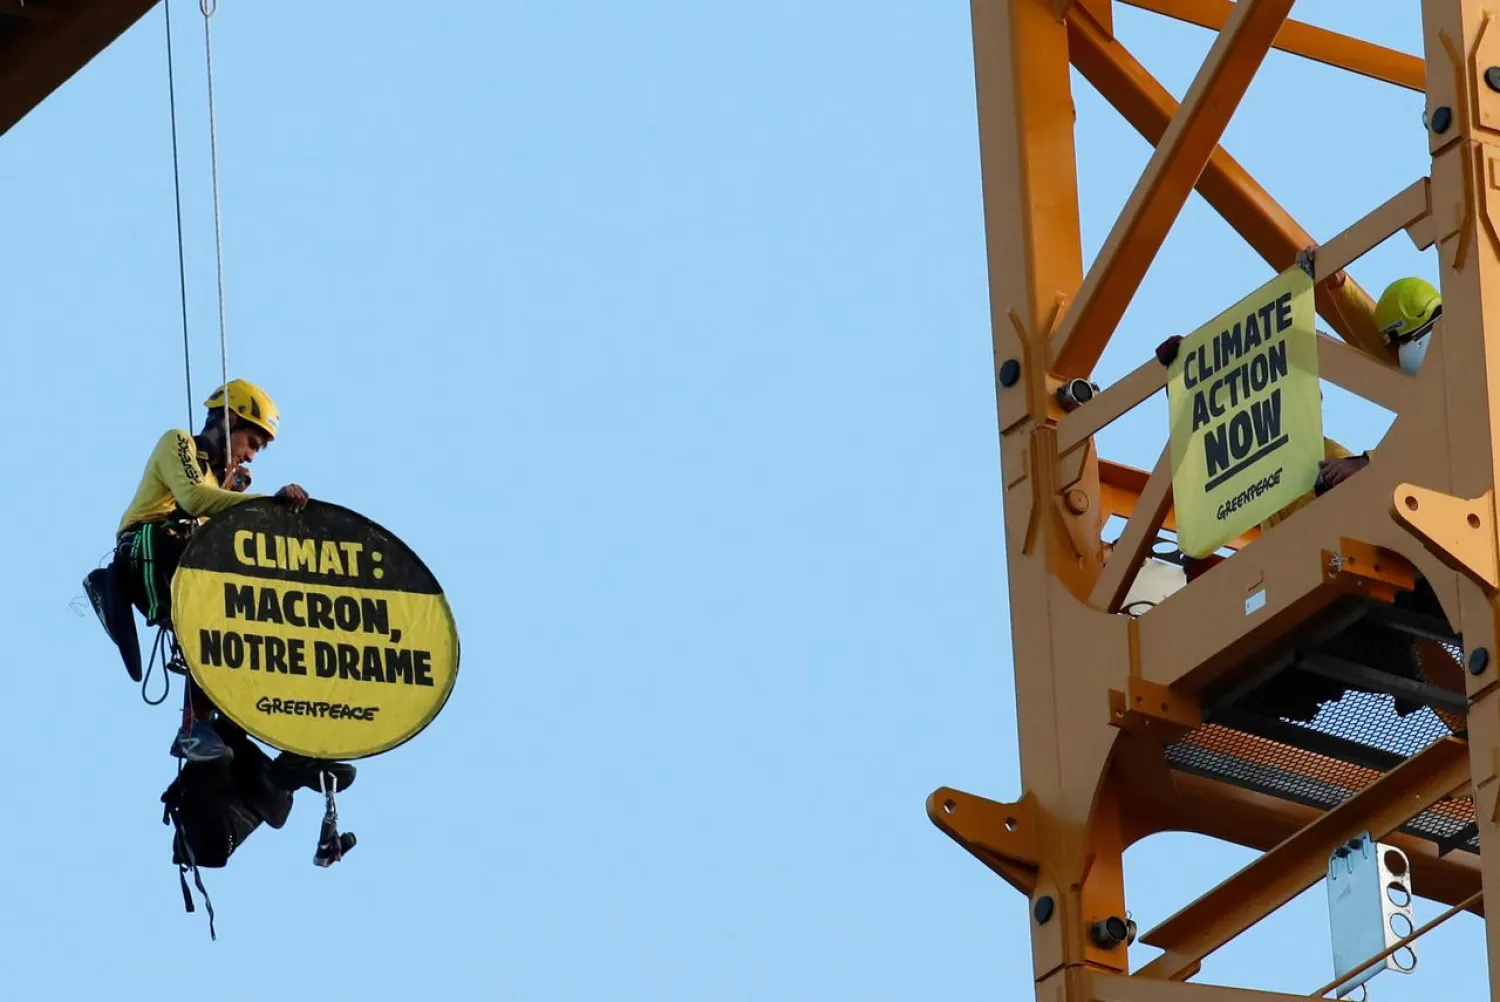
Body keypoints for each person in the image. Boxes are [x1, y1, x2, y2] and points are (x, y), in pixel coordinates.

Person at [85, 379, 309, 764]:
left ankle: (223, 728)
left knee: (236, 626)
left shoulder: (219, 482)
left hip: (184, 562)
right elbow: (191, 498)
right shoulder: (178, 443)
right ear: (227, 420)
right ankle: (192, 730)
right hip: (150, 550)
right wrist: (263, 505)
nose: (251, 456)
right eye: (251, 442)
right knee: (215, 584)